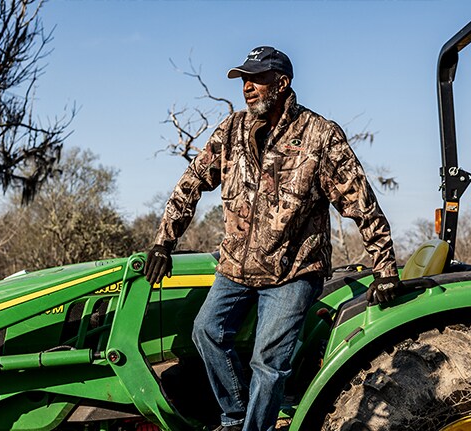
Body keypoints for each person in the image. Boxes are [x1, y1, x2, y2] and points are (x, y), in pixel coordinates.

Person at [144, 46, 401, 431]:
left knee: (268, 362)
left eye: (257, 79)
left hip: (293, 271)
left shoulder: (319, 136)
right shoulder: (230, 131)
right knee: (206, 332)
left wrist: (385, 268)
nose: (247, 87)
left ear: (281, 84)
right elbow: (192, 182)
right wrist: (164, 241)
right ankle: (236, 417)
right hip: (235, 266)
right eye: (244, 79)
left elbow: (360, 201)